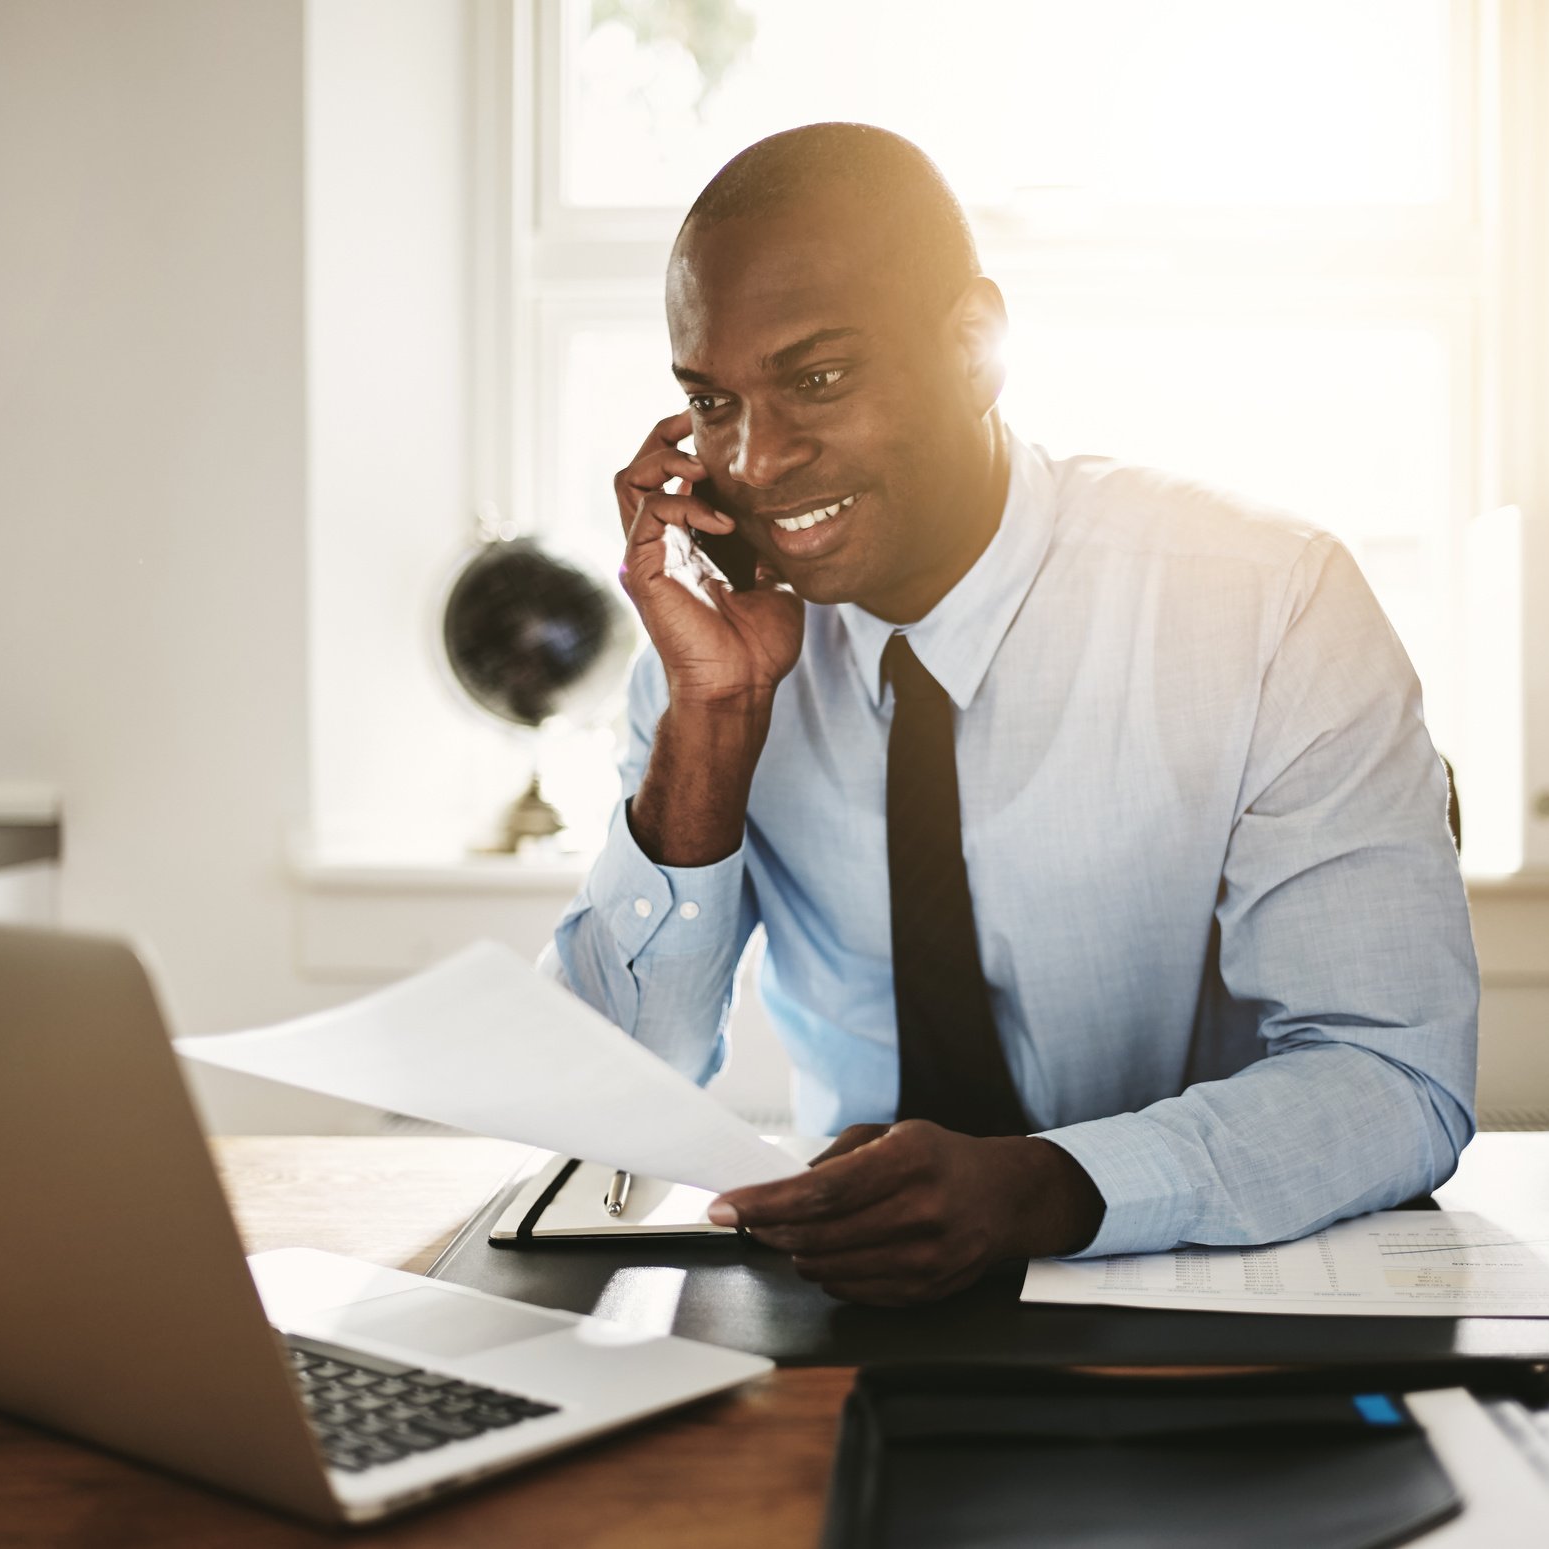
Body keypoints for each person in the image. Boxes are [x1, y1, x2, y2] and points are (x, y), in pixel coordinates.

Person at [548, 123, 1477, 1307]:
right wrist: (712, 725)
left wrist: (1042, 1187)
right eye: (709, 401)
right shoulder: (709, 661)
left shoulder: (1266, 601)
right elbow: (603, 1097)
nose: (759, 458)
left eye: (817, 378)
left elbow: (1394, 1076)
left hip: (1221, 1302)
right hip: (853, 1312)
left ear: (976, 348)